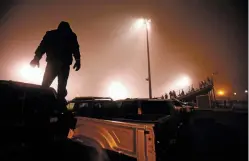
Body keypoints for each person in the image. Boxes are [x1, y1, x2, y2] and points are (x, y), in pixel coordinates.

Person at [30, 21, 81, 102]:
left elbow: (42, 47)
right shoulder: (71, 36)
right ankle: (57, 103)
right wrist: (77, 60)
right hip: (63, 64)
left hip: (53, 63)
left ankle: (42, 101)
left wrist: (36, 58)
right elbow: (75, 48)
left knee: (46, 86)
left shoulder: (51, 35)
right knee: (61, 88)